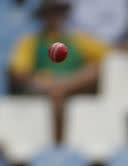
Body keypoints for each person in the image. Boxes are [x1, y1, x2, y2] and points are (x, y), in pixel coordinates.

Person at [7, 0, 109, 142]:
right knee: (56, 95)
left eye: (57, 13)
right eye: (50, 13)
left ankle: (61, 89)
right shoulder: (30, 41)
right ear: (43, 16)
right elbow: (18, 71)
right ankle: (58, 144)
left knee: (93, 70)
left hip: (72, 85)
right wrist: (39, 82)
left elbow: (108, 53)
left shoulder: (78, 39)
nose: (54, 17)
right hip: (44, 87)